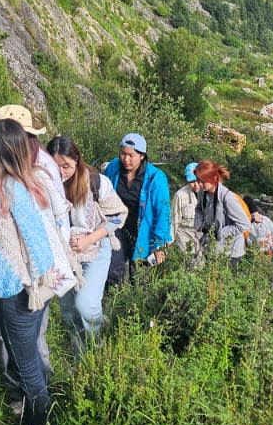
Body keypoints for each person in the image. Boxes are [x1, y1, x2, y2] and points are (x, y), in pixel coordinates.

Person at [0, 119, 75, 425]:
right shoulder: (34, 180)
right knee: (31, 358)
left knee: (26, 368)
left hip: (17, 290)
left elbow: (19, 242)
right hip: (39, 286)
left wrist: (32, 280)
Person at [46, 134, 124, 349]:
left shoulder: (96, 182)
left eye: (66, 166)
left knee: (86, 305)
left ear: (77, 161)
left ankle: (96, 342)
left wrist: (88, 239)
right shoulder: (44, 185)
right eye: (55, 166)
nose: (60, 172)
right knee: (69, 309)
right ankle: (80, 352)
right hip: (62, 254)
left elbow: (117, 216)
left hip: (96, 248)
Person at [103, 133, 171, 282]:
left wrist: (159, 245)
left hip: (144, 233)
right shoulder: (113, 168)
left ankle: (134, 304)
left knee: (139, 277)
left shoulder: (156, 178)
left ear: (142, 156)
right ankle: (112, 302)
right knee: (113, 271)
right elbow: (102, 195)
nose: (126, 159)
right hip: (117, 228)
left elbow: (163, 213)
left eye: (131, 155)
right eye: (123, 154)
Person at [191, 160, 252, 263]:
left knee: (224, 278)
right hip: (212, 247)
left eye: (202, 181)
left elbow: (244, 224)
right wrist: (199, 224)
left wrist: (221, 233)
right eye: (198, 180)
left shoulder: (227, 197)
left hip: (230, 252)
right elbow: (199, 209)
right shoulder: (203, 192)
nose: (199, 184)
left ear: (214, 179)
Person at [171, 161, 202, 267]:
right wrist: (170, 239)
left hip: (200, 232)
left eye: (198, 181)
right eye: (192, 181)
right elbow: (174, 220)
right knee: (192, 262)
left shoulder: (207, 192)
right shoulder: (180, 195)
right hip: (184, 231)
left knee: (202, 262)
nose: (196, 184)